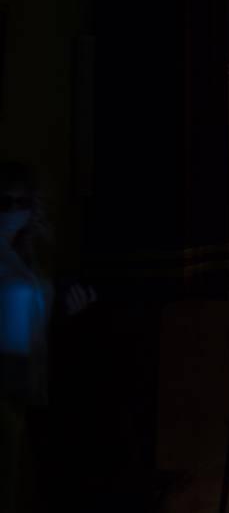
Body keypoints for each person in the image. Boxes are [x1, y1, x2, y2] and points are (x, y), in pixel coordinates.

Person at [0, 162, 94, 512]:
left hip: (25, 394)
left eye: (20, 202)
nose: (12, 211)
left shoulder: (24, 256)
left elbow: (36, 312)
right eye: (3, 202)